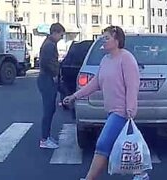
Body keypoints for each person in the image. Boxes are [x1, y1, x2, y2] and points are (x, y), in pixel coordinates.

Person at [63, 26, 149, 180]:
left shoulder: (126, 58)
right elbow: (95, 83)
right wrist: (75, 96)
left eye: (107, 37)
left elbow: (132, 85)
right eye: (103, 37)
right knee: (126, 146)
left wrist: (130, 108)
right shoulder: (106, 60)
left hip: (122, 111)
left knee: (103, 144)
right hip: (111, 111)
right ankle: (140, 174)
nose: (104, 40)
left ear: (117, 40)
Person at [37, 23, 65, 149]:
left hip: (46, 79)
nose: (61, 37)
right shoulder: (49, 45)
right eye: (61, 35)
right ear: (55, 32)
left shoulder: (49, 43)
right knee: (48, 109)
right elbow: (47, 63)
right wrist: (55, 74)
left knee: (51, 109)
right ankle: (44, 139)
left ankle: (46, 136)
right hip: (46, 79)